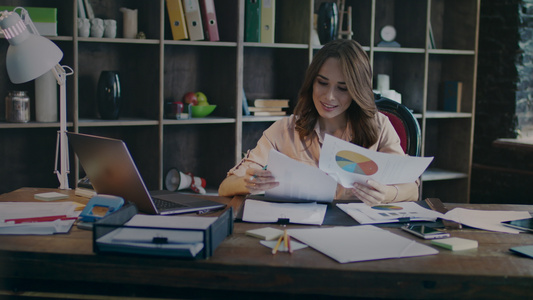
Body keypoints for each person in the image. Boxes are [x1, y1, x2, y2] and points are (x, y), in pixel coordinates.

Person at [218, 39, 419, 205]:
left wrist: (386, 194)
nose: (329, 96)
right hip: (299, 233)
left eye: (342, 88)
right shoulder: (285, 130)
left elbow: (412, 189)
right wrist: (250, 182)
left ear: (357, 91)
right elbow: (225, 187)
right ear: (311, 82)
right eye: (322, 83)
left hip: (358, 235)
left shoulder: (379, 125)